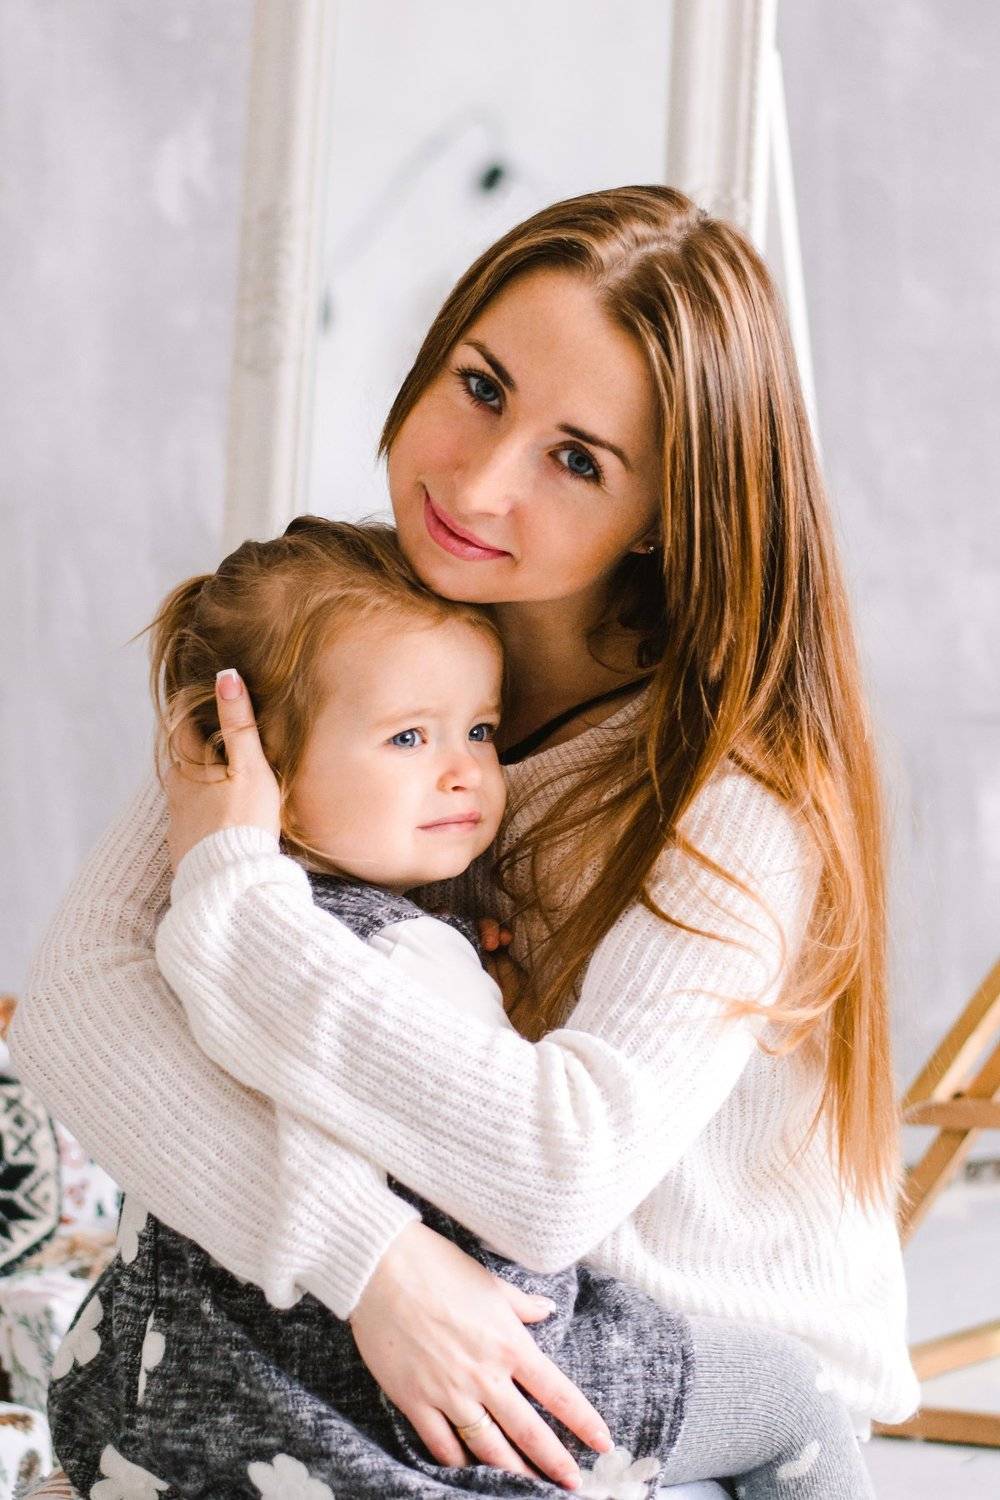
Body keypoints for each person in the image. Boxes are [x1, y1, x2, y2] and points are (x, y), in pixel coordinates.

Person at [11, 186, 919, 1497]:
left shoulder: (737, 792)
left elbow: (558, 1172)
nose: (480, 483)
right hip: (410, 1338)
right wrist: (371, 1261)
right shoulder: (335, 630)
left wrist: (236, 910)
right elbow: (77, 1002)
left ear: (667, 514)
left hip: (702, 1402)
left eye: (577, 460)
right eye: (481, 387)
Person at [46, 516, 879, 1500]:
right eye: (409, 737)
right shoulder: (343, 937)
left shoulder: (215, 872)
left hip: (187, 1387)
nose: (464, 771)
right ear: (257, 759)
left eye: (480, 730)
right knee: (791, 1398)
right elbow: (490, 1191)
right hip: (459, 1367)